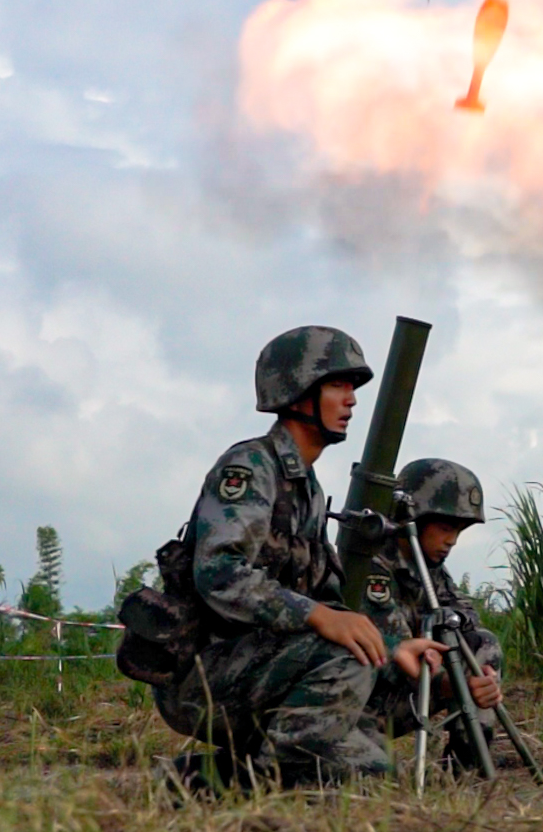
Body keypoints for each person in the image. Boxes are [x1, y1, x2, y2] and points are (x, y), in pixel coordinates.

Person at [150, 327, 445, 789]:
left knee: (372, 771)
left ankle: (200, 782)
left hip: (267, 666)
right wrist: (317, 617)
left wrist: (392, 649)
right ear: (297, 393)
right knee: (346, 656)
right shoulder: (251, 467)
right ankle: (273, 786)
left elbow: (330, 603)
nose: (350, 400)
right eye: (337, 386)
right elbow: (219, 572)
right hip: (205, 674)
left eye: (352, 388)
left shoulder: (308, 490)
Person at [359, 458, 504, 772]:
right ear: (416, 520)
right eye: (445, 528)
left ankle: (467, 768)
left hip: (413, 689)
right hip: (359, 703)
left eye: (458, 531)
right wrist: (458, 684)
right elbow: (392, 660)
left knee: (483, 645)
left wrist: (479, 677)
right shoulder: (374, 567)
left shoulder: (428, 569)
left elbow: (466, 615)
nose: (452, 540)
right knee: (377, 778)